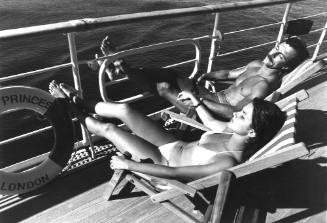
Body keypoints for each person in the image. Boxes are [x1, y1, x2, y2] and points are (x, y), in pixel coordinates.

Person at [49, 80, 286, 182]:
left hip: (163, 164)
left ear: (252, 132)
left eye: (242, 115)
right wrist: (197, 102)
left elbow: (175, 175)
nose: (235, 113)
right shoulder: (231, 132)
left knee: (108, 128)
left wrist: (129, 166)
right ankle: (79, 100)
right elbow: (211, 123)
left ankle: (70, 106)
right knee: (125, 110)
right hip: (171, 145)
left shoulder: (226, 161)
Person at [96, 35, 308, 119]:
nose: (273, 53)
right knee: (172, 74)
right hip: (210, 96)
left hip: (209, 111)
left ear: (287, 67)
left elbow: (235, 113)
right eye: (276, 47)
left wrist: (199, 101)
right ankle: (121, 68)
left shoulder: (263, 86)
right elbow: (228, 74)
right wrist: (206, 75)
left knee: (163, 86)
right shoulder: (257, 64)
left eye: (280, 55)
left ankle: (121, 65)